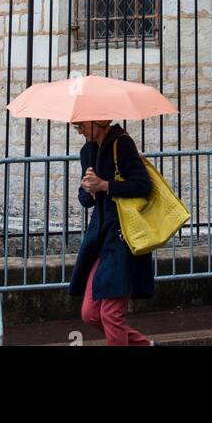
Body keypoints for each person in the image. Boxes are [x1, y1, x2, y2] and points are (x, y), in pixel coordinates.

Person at [68, 119, 156, 347]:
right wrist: (88, 190)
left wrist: (105, 185)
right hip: (99, 239)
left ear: (98, 121)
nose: (79, 131)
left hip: (123, 236)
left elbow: (143, 185)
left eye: (80, 126)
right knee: (90, 313)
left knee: (110, 314)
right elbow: (85, 198)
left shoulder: (122, 143)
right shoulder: (87, 151)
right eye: (75, 127)